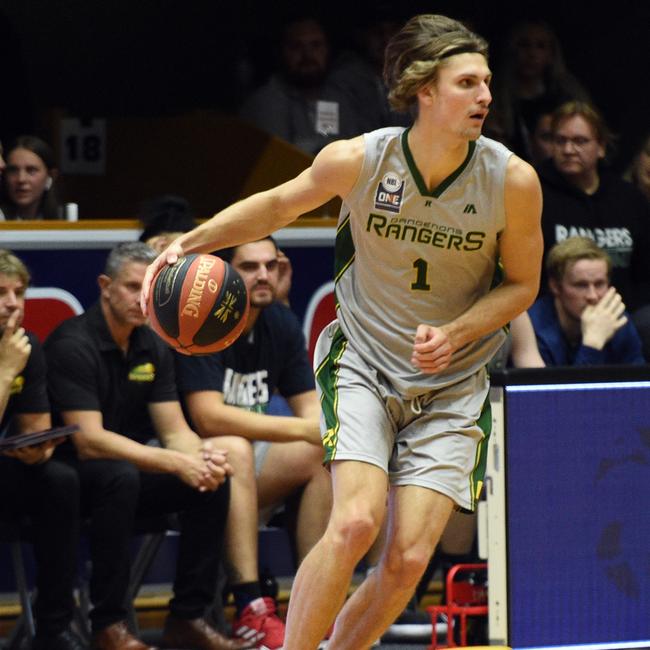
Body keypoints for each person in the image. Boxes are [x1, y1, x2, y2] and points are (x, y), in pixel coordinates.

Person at [142, 14, 543, 649]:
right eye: (469, 82)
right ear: (425, 90)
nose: (487, 96)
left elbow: (522, 284)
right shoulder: (359, 158)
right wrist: (188, 243)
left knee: (409, 559)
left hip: (453, 377)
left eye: (489, 82)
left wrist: (460, 330)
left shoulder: (513, 180)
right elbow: (277, 203)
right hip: (363, 359)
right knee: (355, 521)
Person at [45, 242, 248, 650]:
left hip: (131, 469)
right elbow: (90, 441)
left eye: (148, 289)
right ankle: (109, 625)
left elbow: (174, 429)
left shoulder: (152, 341)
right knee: (119, 477)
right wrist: (175, 462)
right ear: (105, 286)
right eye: (130, 286)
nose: (140, 299)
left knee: (211, 480)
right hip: (75, 478)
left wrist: (199, 456)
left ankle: (188, 617)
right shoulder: (73, 342)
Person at [175, 236, 329, 648]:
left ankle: (313, 598)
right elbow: (209, 417)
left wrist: (315, 430)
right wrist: (302, 430)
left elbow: (311, 410)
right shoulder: (203, 321)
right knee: (235, 446)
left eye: (270, 265)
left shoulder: (278, 322)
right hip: (188, 462)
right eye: (248, 267)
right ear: (223, 275)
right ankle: (251, 606)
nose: (263, 275)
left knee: (324, 451)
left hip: (244, 469)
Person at [0, 249, 84, 650]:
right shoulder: (11, 356)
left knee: (59, 480)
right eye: (0, 293)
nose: (12, 303)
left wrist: (39, 449)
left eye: (19, 292)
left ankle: (54, 627)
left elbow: (34, 428)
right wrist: (4, 371)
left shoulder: (23, 345)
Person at [538, 100, 650, 312]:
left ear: (601, 147)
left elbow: (645, 272)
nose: (569, 149)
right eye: (560, 141)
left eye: (580, 141)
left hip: (625, 314)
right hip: (557, 317)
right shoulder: (535, 193)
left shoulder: (628, 198)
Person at [240, 15, 368, 155]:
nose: (307, 55)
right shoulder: (265, 104)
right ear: (280, 52)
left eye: (315, 45)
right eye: (296, 47)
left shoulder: (338, 98)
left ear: (327, 49)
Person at [485, 19, 589, 162]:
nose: (532, 54)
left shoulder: (566, 93)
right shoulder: (494, 96)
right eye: (524, 45)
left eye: (540, 46)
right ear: (512, 50)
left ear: (551, 55)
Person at [529, 236, 644, 366]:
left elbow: (637, 382)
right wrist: (592, 345)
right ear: (555, 286)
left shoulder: (616, 321)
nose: (593, 296)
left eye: (599, 284)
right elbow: (563, 387)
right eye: (581, 285)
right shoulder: (533, 331)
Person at [0, 135, 62, 220]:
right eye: (13, 170)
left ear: (51, 176)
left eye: (31, 170)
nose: (21, 179)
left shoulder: (65, 220)